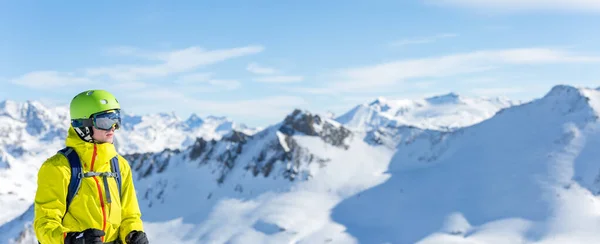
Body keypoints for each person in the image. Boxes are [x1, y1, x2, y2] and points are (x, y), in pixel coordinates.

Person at [33, 89, 149, 244]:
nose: (113, 127)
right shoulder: (58, 168)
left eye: (116, 119)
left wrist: (132, 233)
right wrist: (74, 240)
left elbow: (130, 215)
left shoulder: (119, 166)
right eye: (105, 121)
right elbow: (45, 225)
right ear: (83, 125)